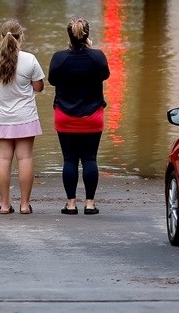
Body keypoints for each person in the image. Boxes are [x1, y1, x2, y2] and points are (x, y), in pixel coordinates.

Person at [0, 19, 44, 215]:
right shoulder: (29, 59)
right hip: (25, 116)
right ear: (20, 37)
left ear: (1, 38)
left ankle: (5, 205)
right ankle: (25, 205)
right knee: (25, 158)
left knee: (3, 158)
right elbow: (39, 87)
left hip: (1, 117)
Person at [48, 17, 109, 215]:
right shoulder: (97, 56)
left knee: (70, 160)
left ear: (69, 35)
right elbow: (105, 75)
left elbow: (52, 80)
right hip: (92, 116)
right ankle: (90, 204)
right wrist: (91, 50)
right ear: (87, 35)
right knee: (90, 159)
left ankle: (71, 204)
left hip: (65, 116)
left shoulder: (59, 58)